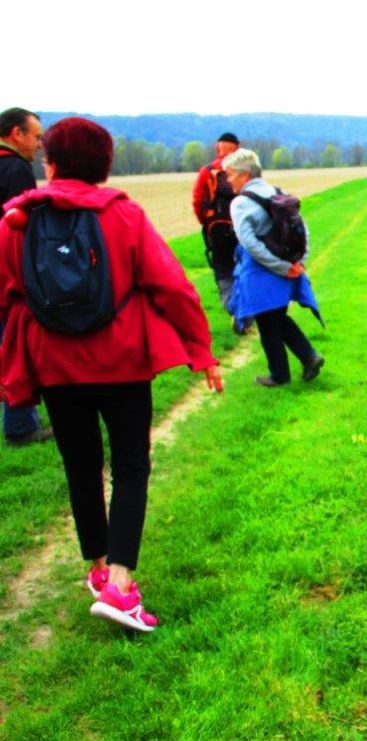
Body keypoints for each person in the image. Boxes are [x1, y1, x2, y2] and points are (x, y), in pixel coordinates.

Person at [0, 117, 224, 632]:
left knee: (80, 466)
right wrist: (201, 350)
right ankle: (122, 585)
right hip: (121, 361)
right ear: (104, 167)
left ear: (49, 164)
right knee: (129, 465)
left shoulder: (16, 221)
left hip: (55, 365)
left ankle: (98, 570)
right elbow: (173, 287)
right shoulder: (123, 216)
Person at [223, 148, 324, 387]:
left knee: (268, 322)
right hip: (287, 271)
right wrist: (299, 263)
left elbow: (249, 244)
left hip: (262, 273)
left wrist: (280, 267)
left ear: (244, 175)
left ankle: (280, 375)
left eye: (230, 174)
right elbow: (303, 229)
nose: (228, 180)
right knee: (276, 318)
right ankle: (309, 358)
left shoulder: (240, 203)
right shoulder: (278, 192)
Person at [0, 107, 52, 446]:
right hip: (7, 273)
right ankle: (20, 426)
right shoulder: (16, 168)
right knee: (13, 344)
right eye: (35, 137)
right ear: (17, 134)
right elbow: (21, 228)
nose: (38, 145)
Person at [191, 131, 246, 330]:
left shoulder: (207, 171)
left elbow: (198, 201)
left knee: (223, 271)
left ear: (218, 147)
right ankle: (245, 310)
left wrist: (207, 224)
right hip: (242, 228)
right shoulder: (245, 169)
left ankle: (235, 308)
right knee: (244, 267)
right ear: (237, 147)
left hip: (218, 230)